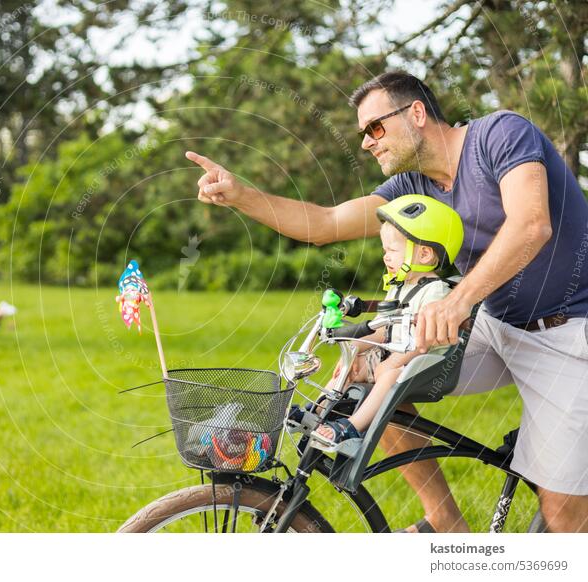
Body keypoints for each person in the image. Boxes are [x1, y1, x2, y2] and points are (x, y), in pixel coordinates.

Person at [185, 70, 588, 532]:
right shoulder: (412, 187)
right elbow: (326, 222)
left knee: (565, 522)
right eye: (362, 134)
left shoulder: (500, 135)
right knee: (370, 370)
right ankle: (445, 522)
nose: (366, 143)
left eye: (374, 128)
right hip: (494, 322)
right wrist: (243, 197)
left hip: (568, 331)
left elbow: (532, 224)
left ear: (416, 113)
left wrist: (457, 302)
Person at [312, 195, 463, 449]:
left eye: (391, 251)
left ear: (424, 254)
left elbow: (424, 341)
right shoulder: (399, 287)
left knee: (389, 375)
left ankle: (352, 427)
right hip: (392, 354)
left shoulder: (436, 291)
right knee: (350, 364)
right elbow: (384, 329)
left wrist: (395, 361)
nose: (385, 258)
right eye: (385, 251)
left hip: (422, 363)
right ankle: (317, 412)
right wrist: (353, 346)